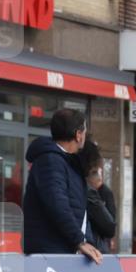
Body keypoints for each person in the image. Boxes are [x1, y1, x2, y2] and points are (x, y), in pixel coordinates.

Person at [22, 108, 101, 263]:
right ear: (78, 135)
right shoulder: (50, 161)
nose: (85, 135)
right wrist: (79, 240)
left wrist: (88, 240)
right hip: (52, 253)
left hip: (68, 250)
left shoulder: (69, 162)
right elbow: (57, 204)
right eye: (84, 131)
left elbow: (80, 208)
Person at [79, 140, 116, 254]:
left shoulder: (105, 192)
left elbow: (111, 218)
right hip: (91, 248)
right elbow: (109, 226)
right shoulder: (88, 192)